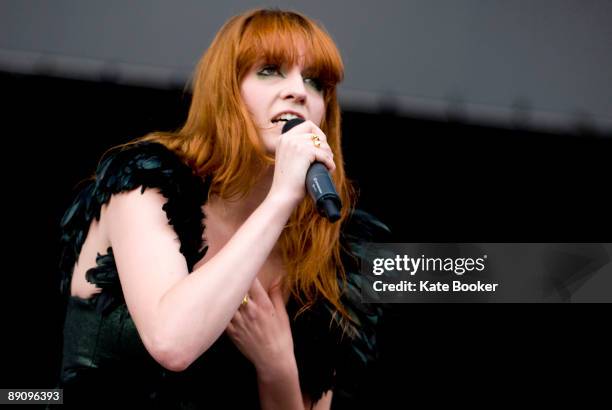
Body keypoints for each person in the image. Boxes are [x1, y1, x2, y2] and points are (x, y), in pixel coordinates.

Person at [55, 8, 389, 409]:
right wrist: (281, 196)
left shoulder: (324, 247)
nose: (299, 90)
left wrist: (277, 364)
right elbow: (172, 342)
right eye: (270, 70)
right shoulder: (145, 184)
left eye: (314, 81)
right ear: (226, 89)